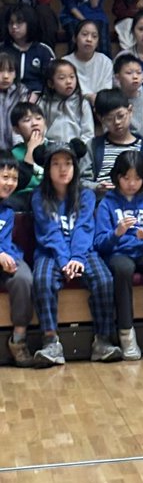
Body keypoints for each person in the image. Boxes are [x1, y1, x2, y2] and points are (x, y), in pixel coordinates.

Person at [31, 140, 122, 367]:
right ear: (47, 168)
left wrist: (76, 258)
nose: (63, 169)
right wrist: (65, 260)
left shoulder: (86, 196)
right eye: (56, 164)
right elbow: (49, 233)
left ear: (75, 167)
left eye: (68, 163)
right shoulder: (39, 197)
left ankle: (102, 341)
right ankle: (51, 342)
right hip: (51, 252)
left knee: (103, 279)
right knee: (41, 279)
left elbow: (84, 229)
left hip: (82, 251)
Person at [94, 151, 143, 361]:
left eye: (137, 178)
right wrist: (116, 233)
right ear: (117, 177)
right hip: (117, 253)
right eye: (126, 178)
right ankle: (126, 332)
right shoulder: (107, 204)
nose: (131, 183)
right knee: (123, 269)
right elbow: (100, 244)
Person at [0, 149, 36, 366]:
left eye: (14, 178)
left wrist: (8, 258)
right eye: (5, 177)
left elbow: (6, 241)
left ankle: (19, 340)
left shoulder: (8, 210)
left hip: (7, 257)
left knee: (24, 278)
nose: (10, 183)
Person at [89, 89, 143, 195]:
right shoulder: (93, 146)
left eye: (121, 116)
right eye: (109, 119)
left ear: (130, 111)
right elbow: (82, 181)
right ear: (100, 119)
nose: (117, 122)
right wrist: (97, 187)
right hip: (103, 201)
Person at [38, 59, 93, 147]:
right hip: (51, 149)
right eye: (62, 78)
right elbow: (40, 129)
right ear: (50, 83)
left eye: (72, 77)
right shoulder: (44, 103)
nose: (69, 82)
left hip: (76, 150)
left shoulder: (82, 103)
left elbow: (88, 133)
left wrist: (80, 147)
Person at [4, 5, 54, 94]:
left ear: (30, 23)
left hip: (39, 99)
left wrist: (38, 95)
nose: (14, 26)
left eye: (19, 22)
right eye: (11, 23)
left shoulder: (43, 51)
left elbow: (51, 81)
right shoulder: (3, 50)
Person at [64, 20, 113, 107]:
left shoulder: (105, 62)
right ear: (74, 38)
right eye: (84, 34)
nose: (89, 39)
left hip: (100, 106)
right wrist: (88, 97)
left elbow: (107, 90)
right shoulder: (65, 63)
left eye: (94, 36)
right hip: (73, 106)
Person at [115, 53, 143, 143]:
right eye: (129, 73)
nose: (135, 77)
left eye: (139, 72)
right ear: (118, 77)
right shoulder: (112, 100)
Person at [0, 52, 27, 152]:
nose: (5, 76)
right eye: (0, 71)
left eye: (10, 71)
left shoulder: (21, 94)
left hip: (16, 148)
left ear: (16, 74)